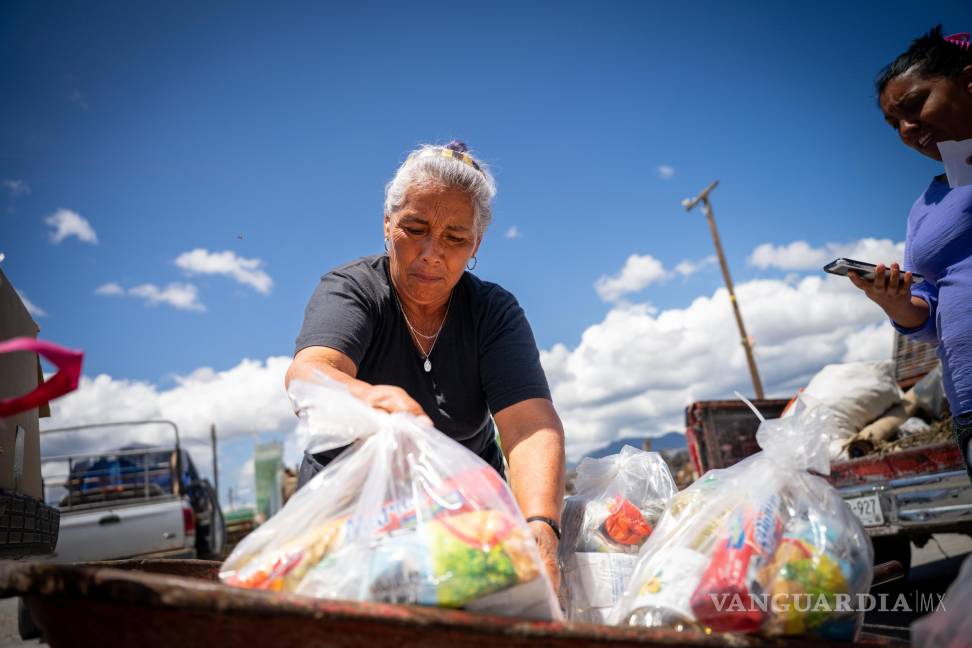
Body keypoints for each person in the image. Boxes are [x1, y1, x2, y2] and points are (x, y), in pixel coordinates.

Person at [286, 141, 566, 584]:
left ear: (476, 243)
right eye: (415, 229)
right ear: (387, 223)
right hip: (348, 516)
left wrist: (540, 525)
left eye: (455, 239)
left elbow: (529, 427)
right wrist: (368, 399)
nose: (432, 252)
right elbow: (312, 372)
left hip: (464, 523)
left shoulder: (492, 312)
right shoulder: (352, 290)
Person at [850, 26, 972, 481]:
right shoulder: (926, 207)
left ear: (968, 82)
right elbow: (931, 312)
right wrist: (896, 303)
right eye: (894, 123)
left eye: (915, 104)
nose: (907, 128)